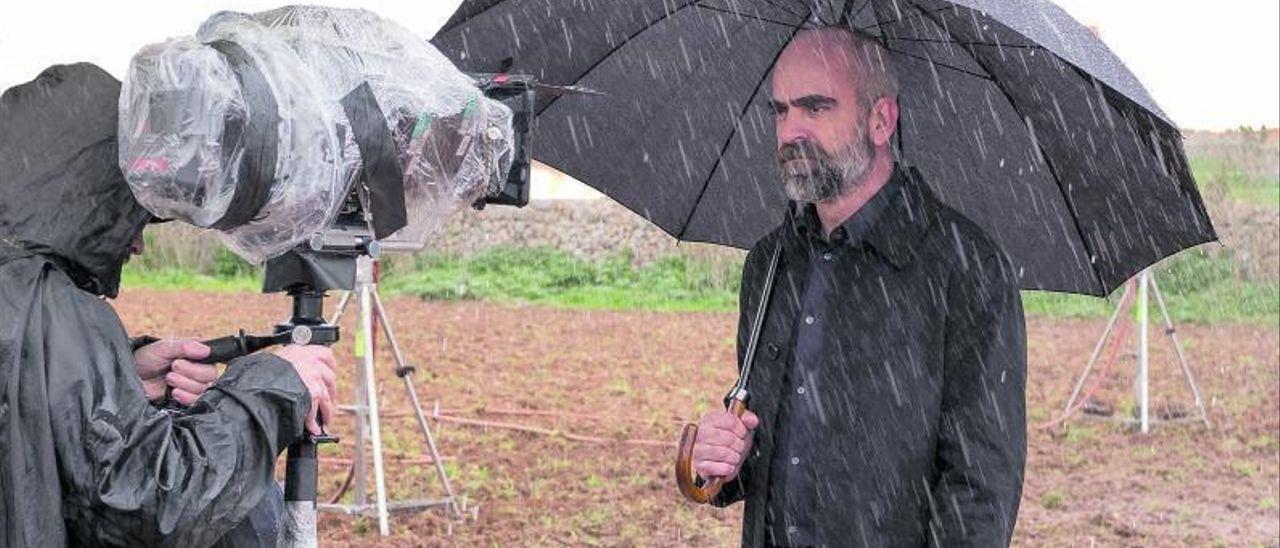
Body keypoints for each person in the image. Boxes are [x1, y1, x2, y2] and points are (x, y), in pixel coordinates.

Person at [690, 28, 1027, 547]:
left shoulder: (966, 267)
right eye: (780, 111)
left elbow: (980, 486)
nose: (789, 132)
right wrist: (722, 455)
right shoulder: (769, 262)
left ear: (880, 120)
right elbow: (774, 452)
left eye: (815, 108)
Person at [0, 63, 337, 547]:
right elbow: (149, 500)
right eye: (132, 212)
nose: (136, 244)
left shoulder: (18, 293)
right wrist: (277, 386)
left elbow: (28, 419)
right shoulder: (50, 306)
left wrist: (123, 378)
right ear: (92, 194)